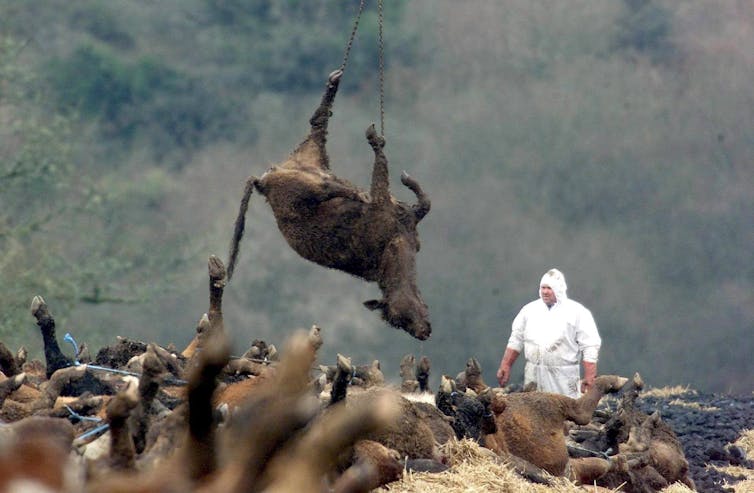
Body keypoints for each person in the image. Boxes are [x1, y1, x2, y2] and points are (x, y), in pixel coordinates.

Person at [496, 268, 601, 398]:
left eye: (549, 288)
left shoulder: (577, 313)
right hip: (533, 375)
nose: (545, 292)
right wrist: (505, 365)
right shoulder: (529, 311)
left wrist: (590, 377)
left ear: (559, 289)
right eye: (543, 287)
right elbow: (516, 339)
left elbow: (590, 346)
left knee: (564, 412)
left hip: (563, 379)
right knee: (533, 411)